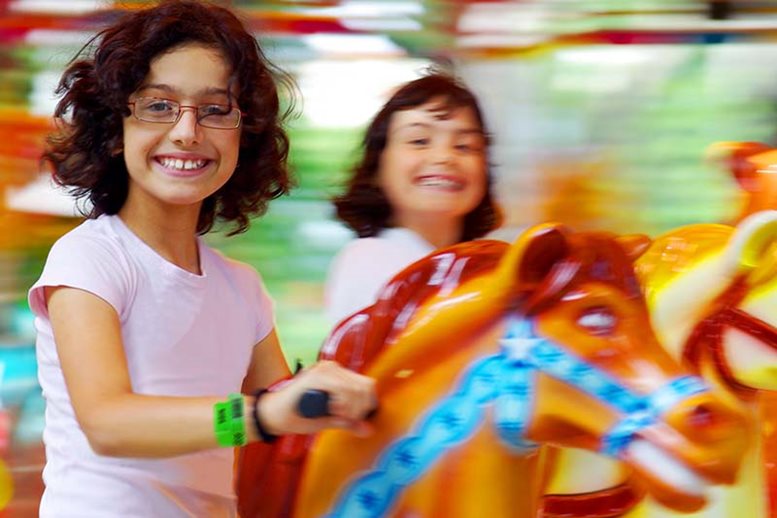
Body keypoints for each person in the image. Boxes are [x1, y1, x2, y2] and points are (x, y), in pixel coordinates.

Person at [28, 1, 375, 516]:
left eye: (215, 110)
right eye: (159, 105)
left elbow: (288, 439)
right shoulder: (89, 259)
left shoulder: (242, 288)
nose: (188, 131)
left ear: (244, 134)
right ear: (114, 130)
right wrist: (259, 416)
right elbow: (108, 424)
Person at [325, 72, 502, 324]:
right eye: (419, 141)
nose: (444, 157)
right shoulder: (369, 259)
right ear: (378, 166)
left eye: (464, 146)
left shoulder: (487, 266)